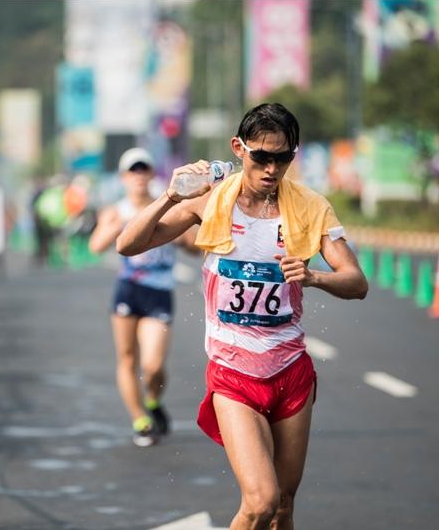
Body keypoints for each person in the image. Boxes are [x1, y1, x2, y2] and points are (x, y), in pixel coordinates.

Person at [117, 104, 368, 528]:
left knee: (284, 506)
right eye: (261, 157)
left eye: (283, 158)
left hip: (291, 373)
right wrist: (170, 196)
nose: (272, 169)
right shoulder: (212, 201)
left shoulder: (311, 207)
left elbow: (356, 282)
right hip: (234, 377)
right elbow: (128, 244)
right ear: (239, 149)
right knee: (260, 501)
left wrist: (313, 277)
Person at [89, 148, 196, 447]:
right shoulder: (115, 211)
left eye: (143, 169)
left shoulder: (167, 207)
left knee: (152, 366)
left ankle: (152, 400)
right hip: (128, 290)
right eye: (132, 171)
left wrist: (185, 234)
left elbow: (194, 247)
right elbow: (96, 246)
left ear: (151, 174)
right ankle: (140, 420)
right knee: (126, 359)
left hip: (159, 292)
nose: (138, 176)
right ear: (123, 177)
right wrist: (116, 227)